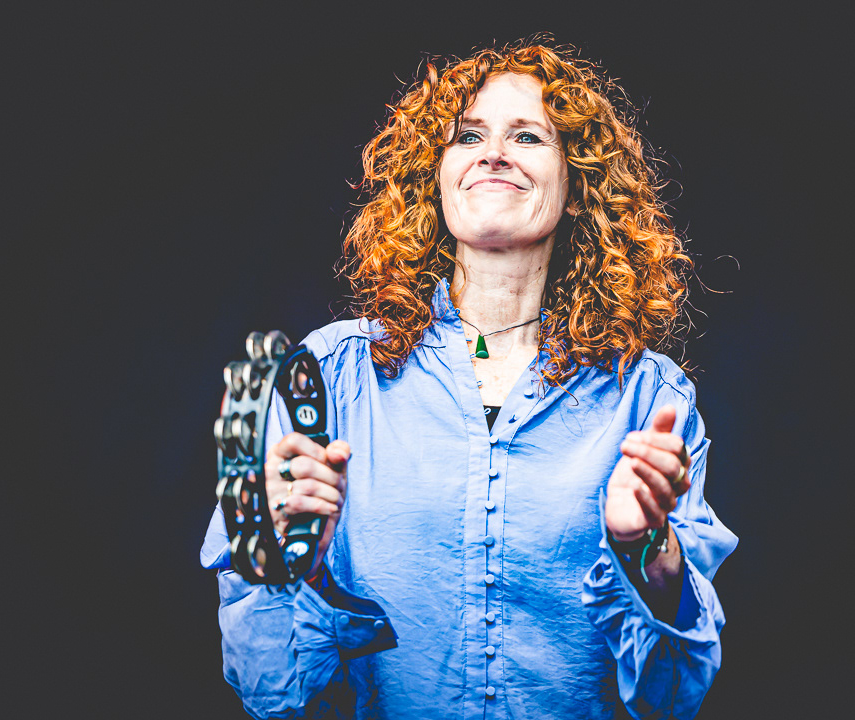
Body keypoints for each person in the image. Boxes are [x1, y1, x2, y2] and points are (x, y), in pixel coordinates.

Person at [201, 41, 737, 720]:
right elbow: (267, 691)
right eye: (469, 136)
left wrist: (649, 555)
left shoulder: (648, 397)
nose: (494, 154)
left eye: (528, 136)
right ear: (437, 178)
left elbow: (673, 699)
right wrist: (288, 566)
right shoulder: (330, 376)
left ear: (579, 187)